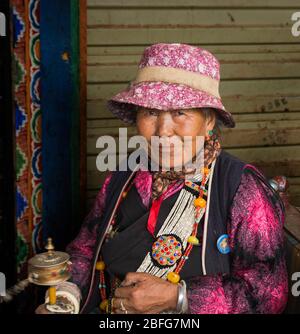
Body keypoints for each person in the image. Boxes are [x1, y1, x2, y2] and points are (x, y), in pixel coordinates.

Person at [36, 43, 288, 314]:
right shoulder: (123, 178)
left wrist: (178, 297)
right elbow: (85, 249)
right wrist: (66, 295)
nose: (163, 131)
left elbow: (269, 292)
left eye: (181, 112)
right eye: (151, 112)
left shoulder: (242, 188)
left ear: (209, 121)